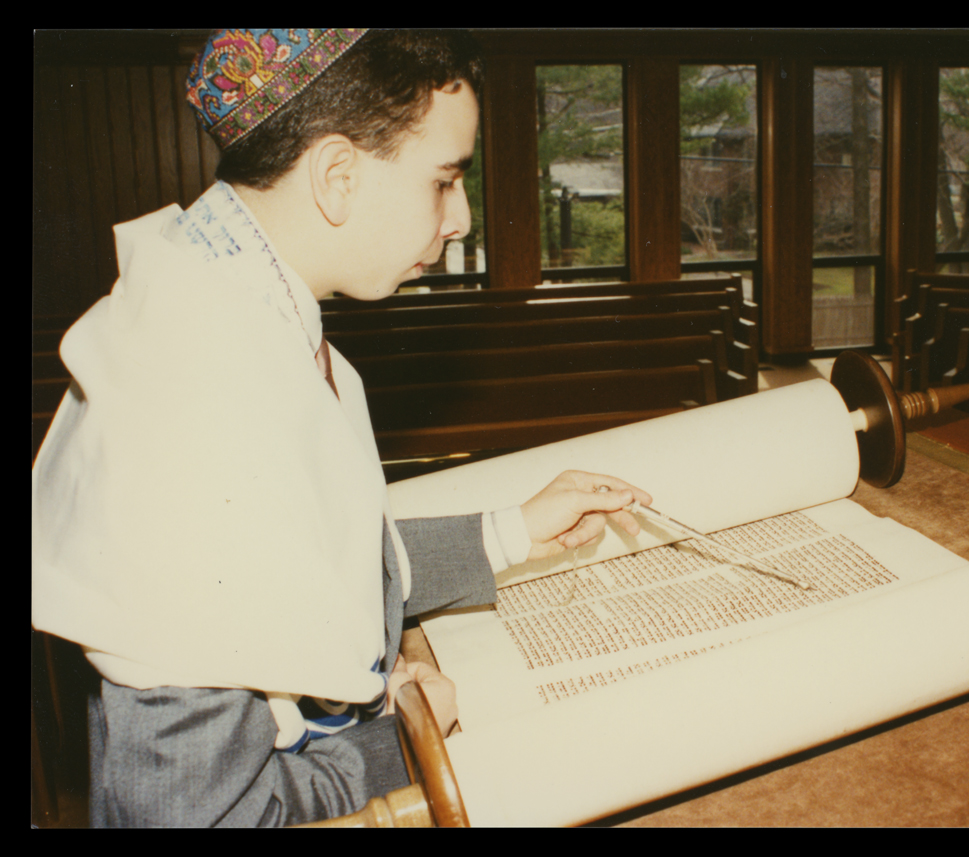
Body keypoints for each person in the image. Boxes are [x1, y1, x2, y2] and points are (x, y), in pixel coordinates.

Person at [30, 28, 651, 827]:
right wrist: (401, 743)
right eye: (445, 179)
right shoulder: (195, 414)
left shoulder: (239, 301)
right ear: (337, 176)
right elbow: (192, 815)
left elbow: (320, 555)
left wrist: (512, 531)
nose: (459, 217)